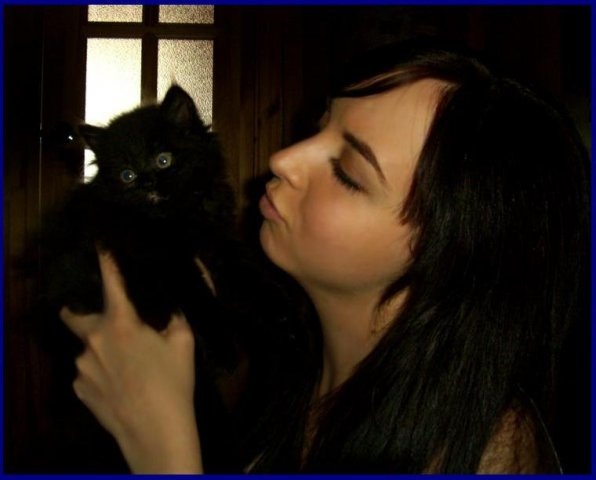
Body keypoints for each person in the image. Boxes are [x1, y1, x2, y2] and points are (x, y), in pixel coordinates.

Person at [60, 40, 589, 473]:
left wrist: (164, 452)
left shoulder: (485, 454)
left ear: (448, 251)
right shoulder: (291, 363)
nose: (282, 159)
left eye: (347, 172)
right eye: (319, 127)